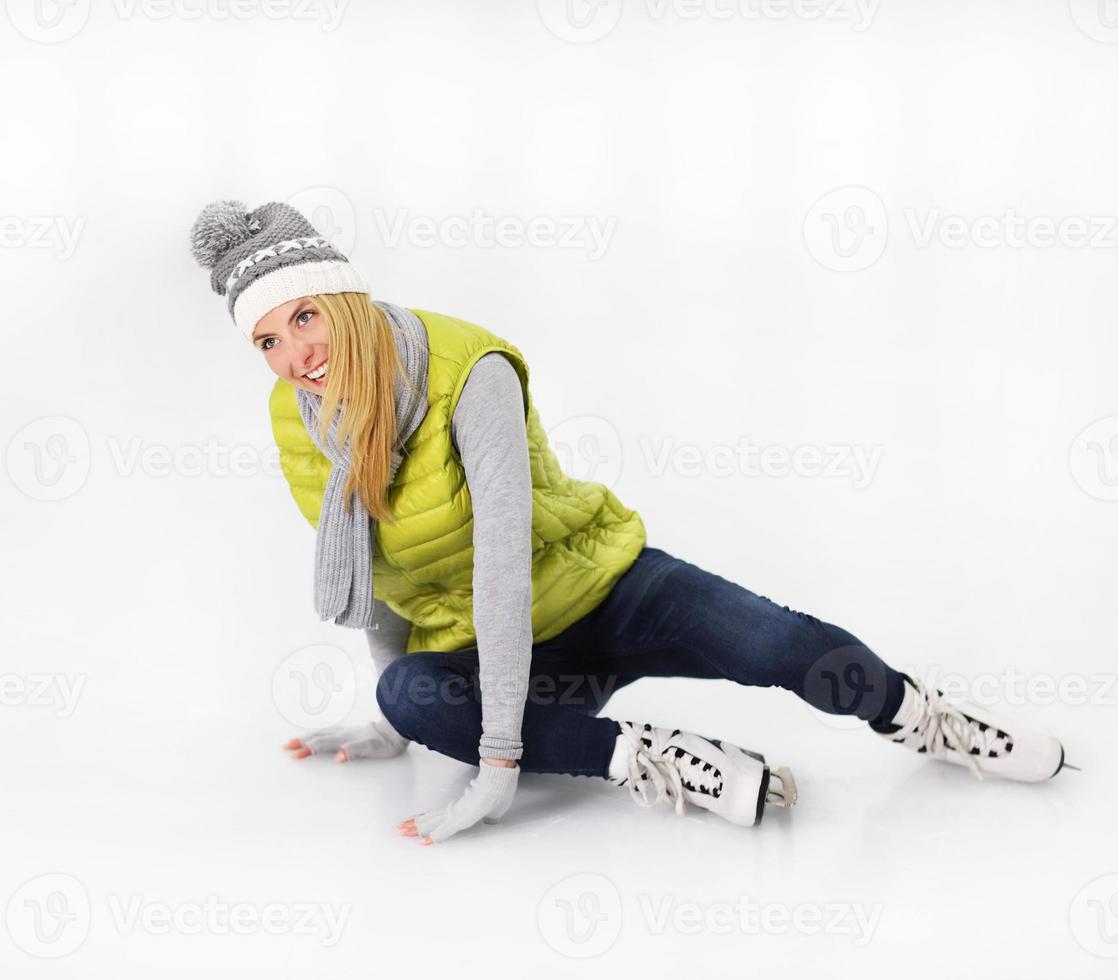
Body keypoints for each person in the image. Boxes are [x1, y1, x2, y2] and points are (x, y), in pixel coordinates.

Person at [188, 198, 1074, 846]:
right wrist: (400, 722)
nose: (296, 356)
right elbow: (377, 577)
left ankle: (926, 721)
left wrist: (499, 765)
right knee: (408, 694)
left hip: (603, 586)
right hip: (503, 652)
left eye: (305, 317)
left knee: (774, 645)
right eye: (266, 341)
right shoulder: (295, 417)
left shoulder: (467, 369)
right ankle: (665, 759)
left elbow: (500, 560)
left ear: (341, 298)